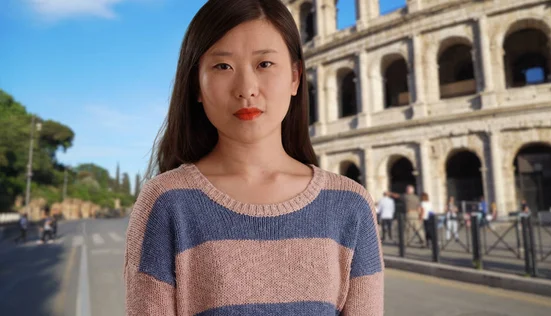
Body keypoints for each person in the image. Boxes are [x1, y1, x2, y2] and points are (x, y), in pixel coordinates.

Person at [124, 1, 384, 315]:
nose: (246, 89)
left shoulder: (350, 206)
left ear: (295, 77)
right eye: (223, 66)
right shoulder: (166, 203)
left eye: (264, 64)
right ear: (196, 85)